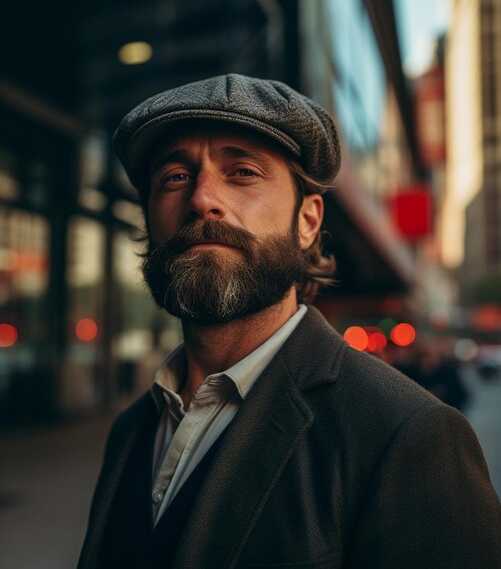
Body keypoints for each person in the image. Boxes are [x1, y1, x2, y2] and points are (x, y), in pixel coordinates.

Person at [78, 74, 501, 569]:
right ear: (150, 220)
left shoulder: (408, 435)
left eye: (243, 172)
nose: (202, 198)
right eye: (175, 177)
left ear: (307, 222)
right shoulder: (131, 430)